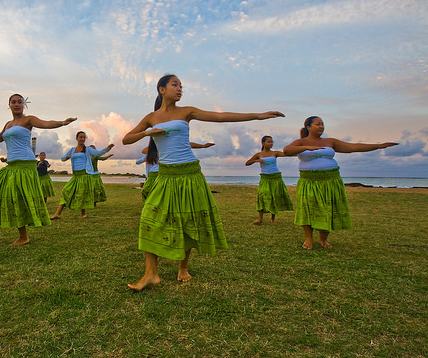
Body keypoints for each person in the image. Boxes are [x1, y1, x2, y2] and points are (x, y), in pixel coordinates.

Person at [122, 74, 284, 291]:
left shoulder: (186, 111)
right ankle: (150, 274)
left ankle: (183, 267)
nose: (180, 88)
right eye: (175, 84)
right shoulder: (151, 117)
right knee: (149, 219)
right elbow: (126, 139)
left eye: (181, 86)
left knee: (189, 222)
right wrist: (148, 132)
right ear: (161, 89)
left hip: (190, 173)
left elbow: (221, 117)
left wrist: (256, 116)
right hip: (166, 176)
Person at [0, 94, 76, 246]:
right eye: (13, 102)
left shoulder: (28, 119)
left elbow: (46, 123)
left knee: (17, 198)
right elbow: (1, 139)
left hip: (25, 164)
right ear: (9, 105)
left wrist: (62, 123)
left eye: (20, 102)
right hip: (11, 165)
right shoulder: (8, 124)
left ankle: (23, 237)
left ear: (24, 105)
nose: (17, 104)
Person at [283, 116, 397, 250]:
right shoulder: (300, 142)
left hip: (331, 180)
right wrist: (308, 147)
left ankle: (323, 239)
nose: (321, 126)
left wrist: (379, 146)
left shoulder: (330, 141)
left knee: (328, 208)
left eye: (322, 124)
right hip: (309, 181)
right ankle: (309, 238)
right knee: (308, 207)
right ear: (308, 127)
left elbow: (353, 147)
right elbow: (287, 151)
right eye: (317, 124)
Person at [49, 132, 114, 219]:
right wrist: (66, 158)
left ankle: (82, 214)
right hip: (76, 176)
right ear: (77, 138)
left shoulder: (88, 149)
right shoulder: (72, 150)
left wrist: (107, 149)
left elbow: (98, 153)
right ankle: (58, 214)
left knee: (82, 194)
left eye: (84, 137)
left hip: (85, 175)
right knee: (66, 191)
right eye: (81, 137)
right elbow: (62, 158)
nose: (82, 139)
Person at [137, 141, 215, 200]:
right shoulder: (155, 150)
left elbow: (188, 144)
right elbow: (143, 152)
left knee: (157, 192)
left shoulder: (170, 145)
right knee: (151, 192)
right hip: (156, 174)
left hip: (164, 172)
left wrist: (203, 146)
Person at [245, 135, 293, 224]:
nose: (271, 143)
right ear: (263, 143)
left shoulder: (275, 153)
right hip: (265, 178)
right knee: (262, 196)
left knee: (274, 197)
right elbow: (247, 163)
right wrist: (256, 161)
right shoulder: (259, 155)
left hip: (276, 177)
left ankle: (273, 218)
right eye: (269, 142)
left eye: (272, 142)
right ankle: (260, 218)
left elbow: (286, 154)